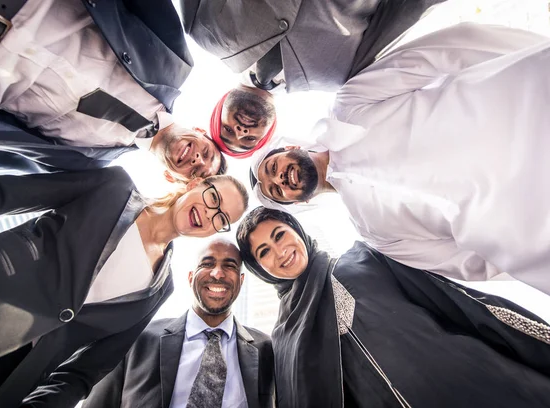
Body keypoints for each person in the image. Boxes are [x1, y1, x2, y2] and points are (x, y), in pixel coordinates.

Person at [251, 22, 550, 297]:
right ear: (299, 202)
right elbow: (466, 263)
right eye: (277, 191)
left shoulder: (350, 105)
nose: (279, 179)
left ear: (289, 147)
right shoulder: (375, 235)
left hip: (531, 111)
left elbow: (441, 54)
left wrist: (533, 63)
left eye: (272, 167)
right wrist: (526, 254)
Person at [0, 167, 248, 408]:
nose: (210, 214)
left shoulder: (160, 289)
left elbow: (85, 372)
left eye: (221, 219)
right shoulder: (113, 186)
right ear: (194, 183)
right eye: (213, 198)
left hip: (3, 376)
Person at [236, 206, 550, 408]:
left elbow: (450, 299)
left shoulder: (363, 257)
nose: (280, 251)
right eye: (264, 251)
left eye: (280, 235)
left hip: (480, 381)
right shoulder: (285, 336)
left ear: (297, 231)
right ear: (260, 268)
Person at [0, 0, 225, 181]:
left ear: (170, 177)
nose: (197, 159)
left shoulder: (85, 165)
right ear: (202, 132)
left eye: (196, 172)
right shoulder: (175, 65)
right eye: (208, 154)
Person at [181, 0, 444, 155]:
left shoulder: (203, 33)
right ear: (269, 130)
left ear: (219, 109)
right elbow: (405, 10)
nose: (240, 131)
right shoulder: (342, 76)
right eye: (249, 139)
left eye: (228, 130)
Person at [83, 238, 275, 408]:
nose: (218, 274)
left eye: (230, 266)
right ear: (190, 277)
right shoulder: (136, 338)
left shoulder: (266, 349)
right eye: (207, 264)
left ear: (241, 281)